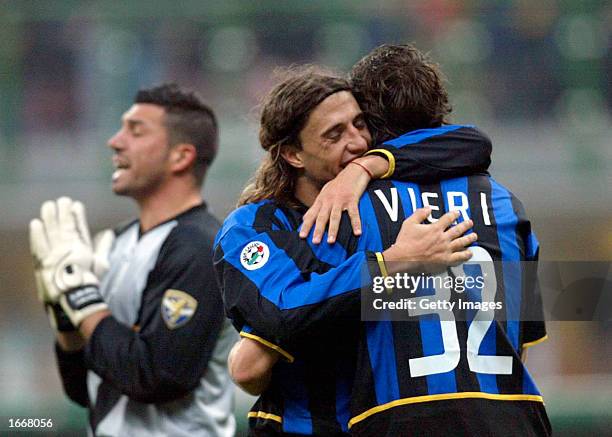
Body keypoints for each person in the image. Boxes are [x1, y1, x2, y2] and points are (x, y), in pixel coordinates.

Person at [221, 44, 550, 436]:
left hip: (398, 421)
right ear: (293, 153)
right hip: (515, 419)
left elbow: (250, 366)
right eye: (334, 133)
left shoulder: (351, 215)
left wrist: (386, 257)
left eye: (360, 126)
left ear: (377, 128)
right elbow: (522, 345)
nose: (358, 142)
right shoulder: (507, 205)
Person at [29, 84, 236, 436]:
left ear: (180, 157)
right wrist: (64, 317)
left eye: (135, 130)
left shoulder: (201, 248)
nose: (116, 141)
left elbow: (158, 376)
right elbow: (85, 388)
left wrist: (81, 296)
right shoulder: (112, 244)